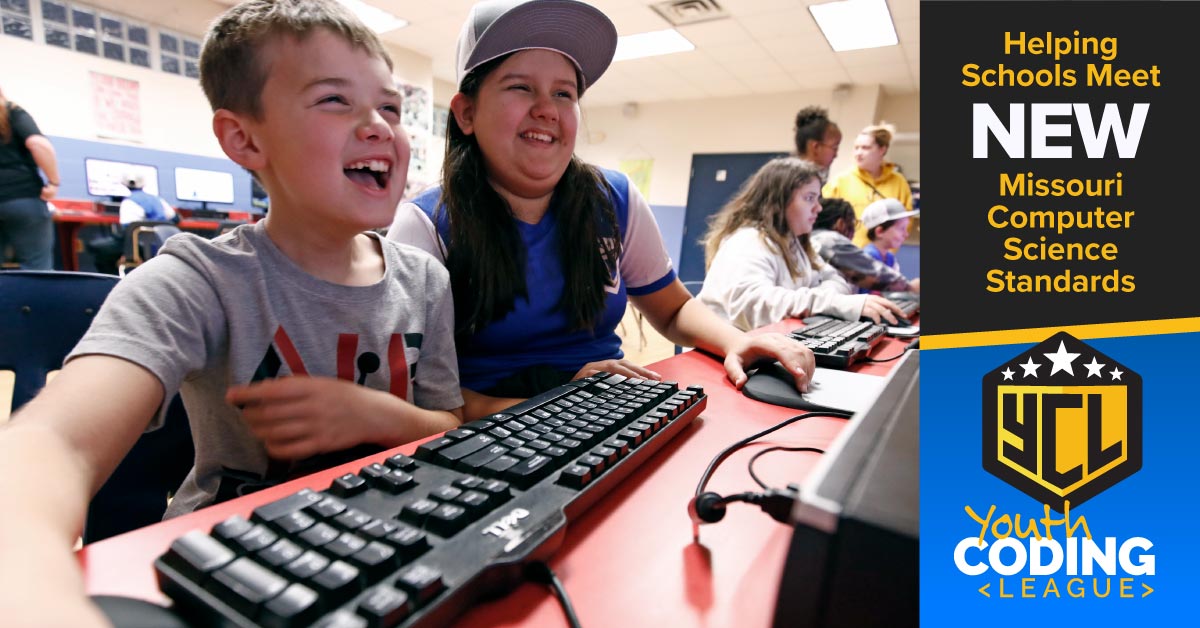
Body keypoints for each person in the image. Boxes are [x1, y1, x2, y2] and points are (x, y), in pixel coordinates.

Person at [0, 1, 463, 623]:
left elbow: (450, 423)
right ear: (244, 139)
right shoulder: (201, 279)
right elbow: (53, 442)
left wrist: (374, 415)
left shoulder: (425, 278)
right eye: (334, 100)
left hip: (393, 547)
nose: (379, 125)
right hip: (233, 571)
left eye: (389, 107)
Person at [388, 0, 815, 419]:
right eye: (520, 87)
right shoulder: (427, 224)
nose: (547, 109)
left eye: (564, 93)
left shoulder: (614, 198)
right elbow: (414, 395)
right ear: (466, 112)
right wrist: (562, 402)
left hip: (606, 412)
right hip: (488, 434)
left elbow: (672, 308)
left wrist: (733, 340)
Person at [697, 157, 904, 331]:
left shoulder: (796, 244)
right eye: (809, 198)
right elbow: (753, 307)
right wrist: (832, 302)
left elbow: (836, 279)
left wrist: (822, 300)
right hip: (720, 358)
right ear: (778, 201)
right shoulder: (747, 241)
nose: (818, 208)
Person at [823, 122, 914, 246]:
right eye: (856, 147)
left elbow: (905, 222)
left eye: (865, 148)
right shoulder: (840, 182)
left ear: (882, 149)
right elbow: (823, 220)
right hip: (845, 255)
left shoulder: (898, 182)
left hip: (881, 256)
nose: (858, 153)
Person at [0, 85, 60, 270]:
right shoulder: (11, 112)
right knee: (37, 269)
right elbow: (38, 144)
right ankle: (36, 300)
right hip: (22, 197)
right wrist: (53, 182)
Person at [811, 196, 919, 293]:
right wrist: (909, 287)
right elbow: (869, 272)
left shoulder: (810, 241)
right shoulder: (827, 239)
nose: (905, 234)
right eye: (854, 223)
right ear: (841, 224)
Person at [862, 198, 919, 278]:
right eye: (901, 228)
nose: (906, 234)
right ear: (879, 231)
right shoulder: (867, 259)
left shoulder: (890, 259)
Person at [793, 105, 841, 181]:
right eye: (834, 148)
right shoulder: (794, 181)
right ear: (816, 147)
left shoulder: (819, 177)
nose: (836, 155)